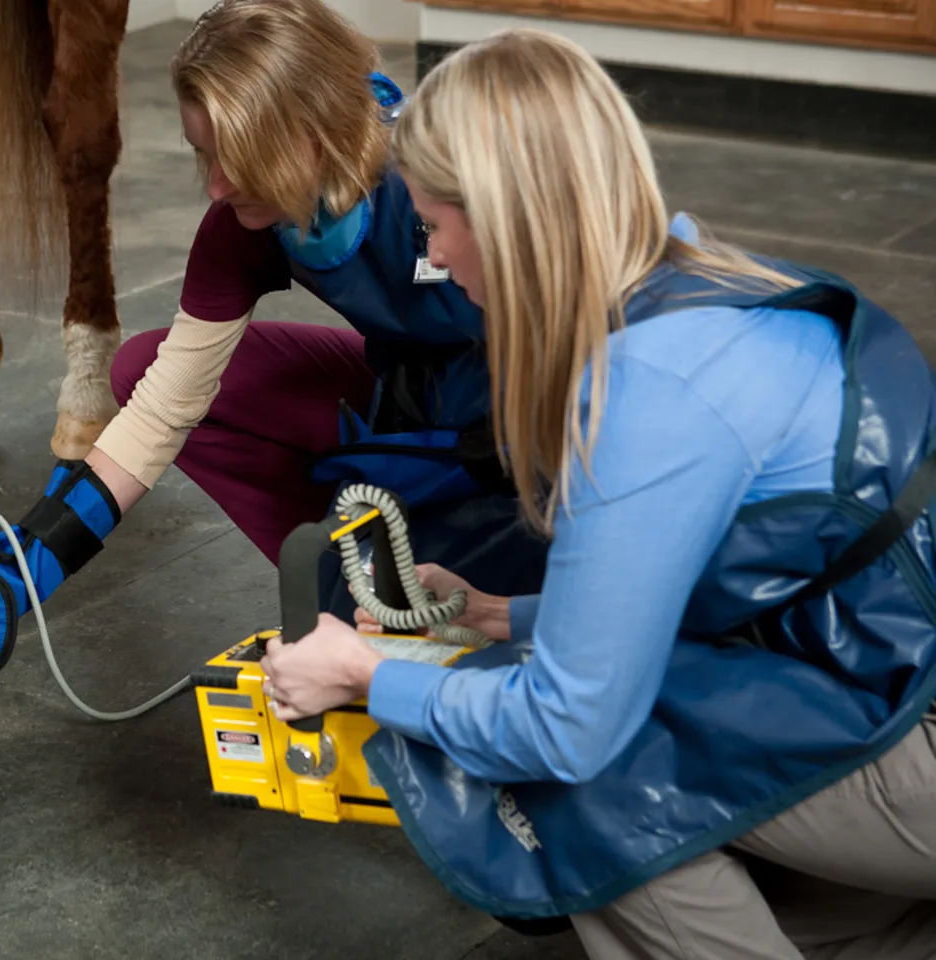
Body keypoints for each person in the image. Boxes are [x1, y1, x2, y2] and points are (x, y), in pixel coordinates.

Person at [256, 26, 936, 960]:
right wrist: (510, 614)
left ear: (505, 218)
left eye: (437, 224)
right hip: (895, 677)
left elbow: (567, 729)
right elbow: (756, 568)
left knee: (572, 773)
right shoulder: (703, 282)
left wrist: (369, 675)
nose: (437, 256)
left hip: (919, 735)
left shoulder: (643, 393)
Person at [0, 0, 550, 679]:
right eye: (203, 154)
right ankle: (350, 576)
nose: (217, 185)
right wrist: (31, 558)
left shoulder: (445, 178)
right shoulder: (246, 224)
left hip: (543, 429)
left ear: (314, 130)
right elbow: (164, 405)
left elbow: (600, 351)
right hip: (418, 408)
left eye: (239, 156)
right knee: (142, 366)